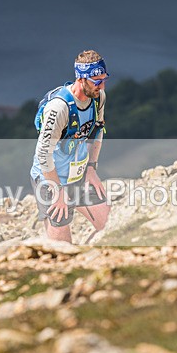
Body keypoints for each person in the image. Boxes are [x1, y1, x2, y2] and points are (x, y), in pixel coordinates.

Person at [30, 50, 111, 243]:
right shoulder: (58, 108)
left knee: (111, 227)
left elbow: (97, 131)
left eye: (104, 79)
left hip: (80, 174)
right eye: (96, 81)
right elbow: (43, 154)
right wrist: (57, 190)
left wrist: (91, 168)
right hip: (51, 179)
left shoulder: (98, 97)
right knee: (62, 248)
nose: (101, 85)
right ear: (81, 79)